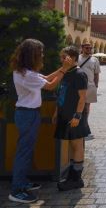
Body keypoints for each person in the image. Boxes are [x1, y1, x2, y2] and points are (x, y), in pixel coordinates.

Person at [8, 39, 73, 203]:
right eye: (40, 53)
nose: (42, 55)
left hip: (28, 114)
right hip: (28, 115)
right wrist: (65, 69)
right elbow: (50, 85)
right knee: (24, 152)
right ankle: (16, 190)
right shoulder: (27, 75)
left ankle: (22, 182)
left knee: (26, 150)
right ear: (33, 55)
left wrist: (61, 68)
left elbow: (46, 78)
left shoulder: (24, 71)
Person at [54, 46, 90, 191]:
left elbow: (82, 98)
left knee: (77, 145)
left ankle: (76, 178)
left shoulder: (79, 74)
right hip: (65, 114)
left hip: (75, 116)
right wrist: (57, 111)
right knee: (70, 145)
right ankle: (71, 174)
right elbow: (61, 92)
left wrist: (77, 116)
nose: (62, 59)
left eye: (64, 57)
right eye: (61, 57)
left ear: (73, 58)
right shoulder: (66, 72)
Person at [78, 43, 100, 140]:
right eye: (87, 48)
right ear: (82, 48)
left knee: (86, 109)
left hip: (90, 86)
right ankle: (81, 128)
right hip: (77, 87)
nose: (89, 49)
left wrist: (96, 85)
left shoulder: (95, 60)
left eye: (90, 48)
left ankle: (85, 128)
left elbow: (96, 74)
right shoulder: (77, 58)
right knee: (78, 107)